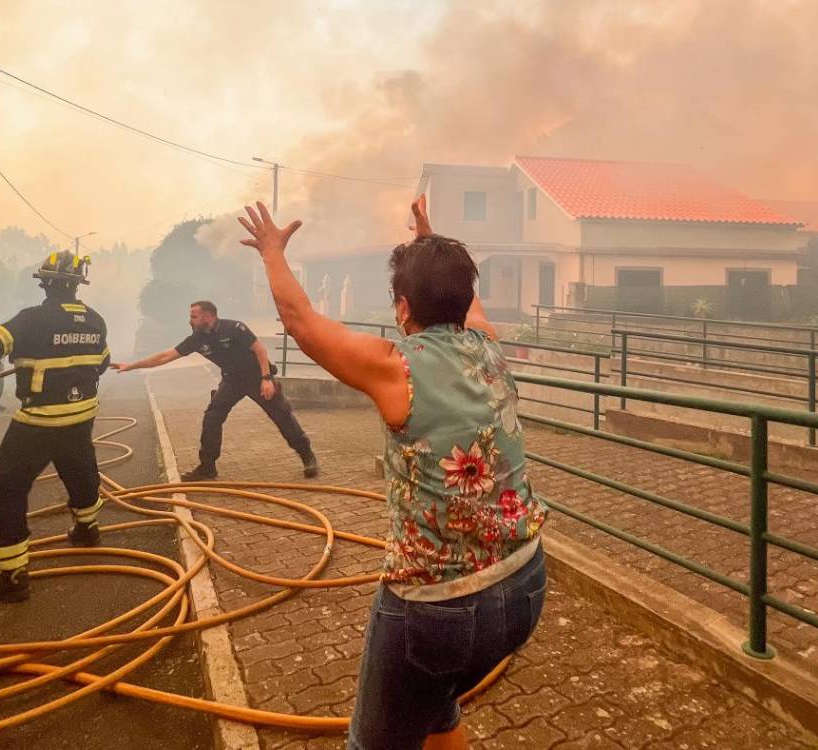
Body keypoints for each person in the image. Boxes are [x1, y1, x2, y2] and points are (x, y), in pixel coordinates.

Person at [237, 196, 548, 750]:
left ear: (403, 308)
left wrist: (271, 252)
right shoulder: (490, 347)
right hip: (525, 585)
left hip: (436, 610)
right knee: (435, 714)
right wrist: (432, 243)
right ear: (464, 297)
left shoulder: (394, 365)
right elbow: (465, 304)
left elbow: (301, 325)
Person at [0, 251, 110, 603]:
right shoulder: (96, 320)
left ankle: (12, 575)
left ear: (44, 282)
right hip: (81, 415)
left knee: (6, 489)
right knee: (80, 470)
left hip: (39, 421)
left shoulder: (32, 319)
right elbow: (101, 363)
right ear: (78, 286)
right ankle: (87, 528)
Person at [112, 300, 318, 481]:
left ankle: (307, 456)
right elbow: (164, 356)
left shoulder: (234, 328)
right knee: (212, 417)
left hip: (256, 377)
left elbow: (260, 350)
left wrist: (266, 379)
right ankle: (207, 467)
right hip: (231, 381)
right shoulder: (197, 339)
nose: (190, 320)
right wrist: (131, 366)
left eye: (194, 316)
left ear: (208, 316)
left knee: (281, 415)